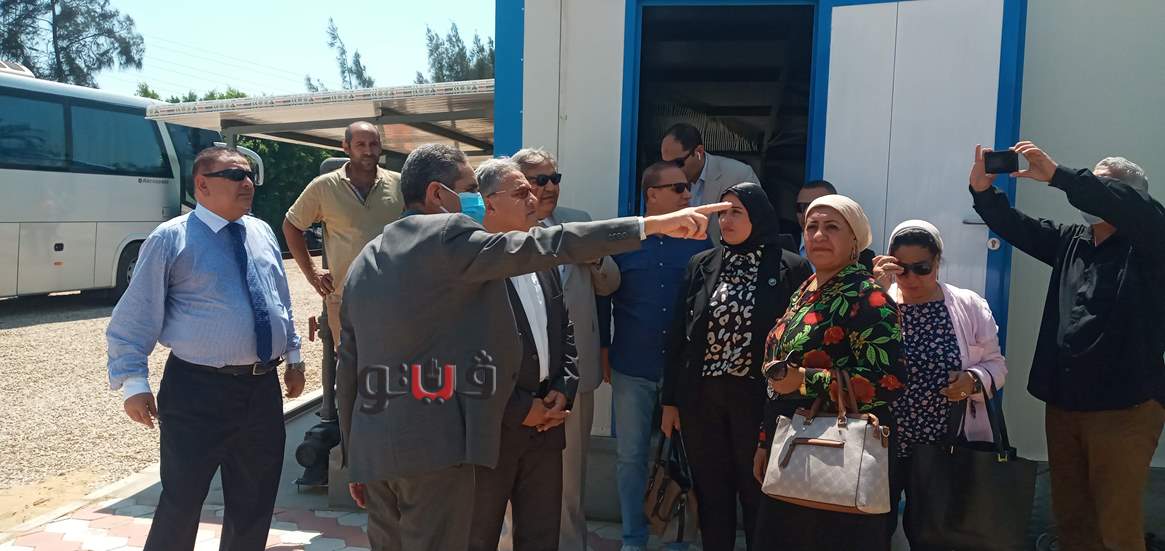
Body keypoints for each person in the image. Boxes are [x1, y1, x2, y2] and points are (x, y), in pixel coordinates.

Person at [335, 144, 730, 551]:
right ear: (437, 194)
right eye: (469, 190)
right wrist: (650, 226)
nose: (477, 202)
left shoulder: (368, 256)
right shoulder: (448, 236)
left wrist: (352, 455)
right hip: (435, 454)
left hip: (375, 453)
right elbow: (547, 244)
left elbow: (348, 366)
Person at [107, 146, 306, 551]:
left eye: (249, 175)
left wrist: (294, 357)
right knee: (182, 499)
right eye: (234, 175)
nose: (247, 183)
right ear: (202, 184)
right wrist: (133, 382)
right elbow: (135, 314)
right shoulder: (171, 238)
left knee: (254, 499)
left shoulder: (261, 232)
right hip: (197, 390)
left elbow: (279, 299)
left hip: (260, 389)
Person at [968, 142, 1165, 551]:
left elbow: (1134, 210)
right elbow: (1015, 226)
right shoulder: (1072, 240)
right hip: (1064, 404)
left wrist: (1060, 176)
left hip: (1124, 407)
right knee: (1071, 520)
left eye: (1101, 186)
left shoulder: (1152, 241)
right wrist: (983, 192)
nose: (1089, 192)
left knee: (1116, 524)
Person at [661, 183, 812, 551]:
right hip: (702, 400)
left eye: (736, 212)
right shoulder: (703, 263)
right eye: (722, 212)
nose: (726, 220)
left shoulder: (789, 266)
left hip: (757, 401)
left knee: (758, 490)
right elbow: (679, 334)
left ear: (757, 216)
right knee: (712, 493)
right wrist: (670, 401)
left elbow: (801, 339)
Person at [751, 194, 907, 550]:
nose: (819, 235)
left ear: (854, 241)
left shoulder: (869, 298)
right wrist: (764, 440)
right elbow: (778, 373)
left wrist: (806, 381)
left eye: (832, 227)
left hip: (840, 452)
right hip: (791, 442)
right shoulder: (806, 290)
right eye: (812, 227)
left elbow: (890, 382)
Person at [872, 220, 1007, 547]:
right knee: (873, 529)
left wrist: (973, 381)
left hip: (943, 444)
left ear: (938, 262)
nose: (912, 278)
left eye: (922, 268)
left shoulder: (968, 306)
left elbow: (996, 364)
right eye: (902, 269)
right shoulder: (878, 303)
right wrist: (875, 292)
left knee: (934, 534)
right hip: (884, 442)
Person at [512, 147, 620, 551]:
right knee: (512, 473)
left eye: (554, 178)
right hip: (519, 378)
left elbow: (610, 284)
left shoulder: (579, 222)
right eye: (539, 179)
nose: (550, 187)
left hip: (573, 374)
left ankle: (571, 544)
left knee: (570, 475)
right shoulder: (501, 229)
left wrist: (594, 257)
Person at [467, 158, 579, 551]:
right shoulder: (472, 268)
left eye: (533, 191)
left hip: (547, 426)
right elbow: (466, 356)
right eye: (522, 192)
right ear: (489, 203)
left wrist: (565, 388)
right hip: (494, 433)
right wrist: (519, 408)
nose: (535, 198)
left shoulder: (540, 257)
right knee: (478, 536)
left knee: (541, 536)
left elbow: (564, 330)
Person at [605, 161, 713, 551]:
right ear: (652, 194)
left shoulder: (701, 242)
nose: (688, 195)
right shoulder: (622, 240)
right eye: (679, 188)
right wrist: (603, 350)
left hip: (682, 372)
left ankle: (677, 540)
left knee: (684, 456)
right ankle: (633, 539)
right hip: (632, 365)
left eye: (688, 188)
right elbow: (602, 297)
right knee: (630, 457)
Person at [283, 121, 403, 352]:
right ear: (346, 147)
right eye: (360, 145)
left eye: (373, 144)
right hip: (345, 299)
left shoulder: (399, 184)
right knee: (352, 366)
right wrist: (313, 274)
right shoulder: (324, 187)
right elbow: (291, 226)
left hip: (394, 297)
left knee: (394, 362)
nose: (368, 151)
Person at [660, 122, 760, 243]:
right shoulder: (662, 181)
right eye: (666, 165)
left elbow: (757, 226)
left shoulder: (739, 175)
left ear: (699, 152)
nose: (671, 170)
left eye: (678, 163)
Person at [795, 179, 875, 269]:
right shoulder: (784, 251)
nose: (818, 235)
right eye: (800, 207)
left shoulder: (868, 263)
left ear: (853, 235)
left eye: (831, 227)